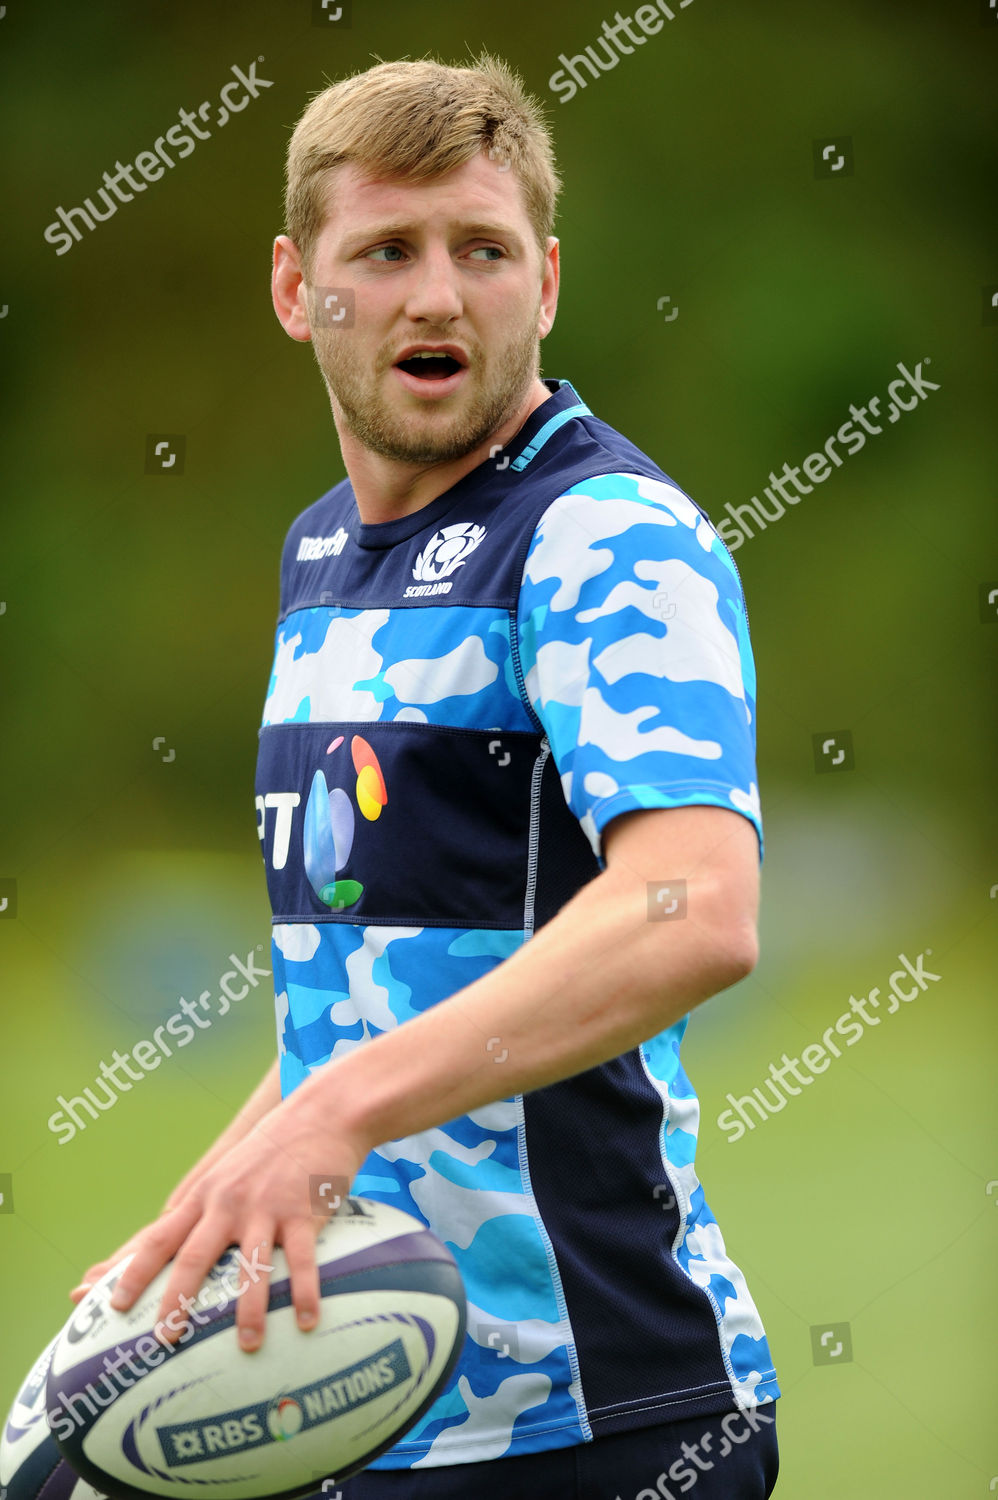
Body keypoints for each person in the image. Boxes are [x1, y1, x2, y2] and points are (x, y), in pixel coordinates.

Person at [70, 53, 780, 1499]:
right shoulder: (321, 554)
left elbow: (691, 909)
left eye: (482, 249)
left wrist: (336, 1116)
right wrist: (203, 1217)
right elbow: (370, 989)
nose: (437, 295)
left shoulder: (601, 536)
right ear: (295, 290)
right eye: (384, 251)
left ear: (548, 280)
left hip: (597, 1416)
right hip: (361, 1411)